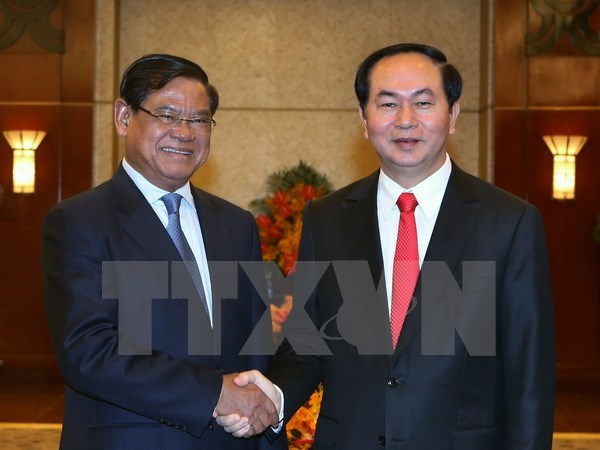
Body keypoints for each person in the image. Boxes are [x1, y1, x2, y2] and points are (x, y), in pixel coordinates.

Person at [221, 43, 556, 449]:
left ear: (452, 115)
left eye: (423, 102)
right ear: (364, 118)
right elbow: (308, 344)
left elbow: (529, 379)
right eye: (387, 104)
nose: (406, 120)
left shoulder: (509, 222)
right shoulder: (326, 218)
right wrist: (273, 397)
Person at [42, 54, 286, 450]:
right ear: (124, 117)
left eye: (199, 120)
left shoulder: (236, 224)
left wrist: (260, 418)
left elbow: (254, 344)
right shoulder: (78, 221)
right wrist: (214, 394)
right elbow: (88, 350)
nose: (184, 132)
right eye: (167, 115)